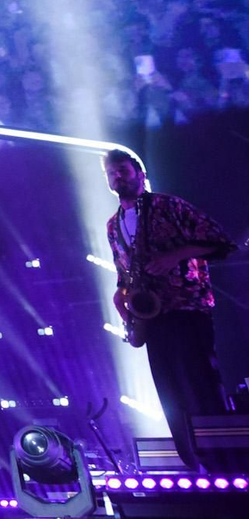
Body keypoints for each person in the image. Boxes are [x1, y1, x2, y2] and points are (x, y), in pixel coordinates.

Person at [103, 148, 237, 472]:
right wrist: (122, 302)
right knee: (171, 398)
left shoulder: (169, 206)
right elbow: (124, 276)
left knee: (201, 388)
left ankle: (230, 463)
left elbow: (221, 241)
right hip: (153, 318)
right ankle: (196, 466)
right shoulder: (112, 225)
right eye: (111, 172)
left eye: (122, 169)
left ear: (140, 172)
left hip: (186, 310)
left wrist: (176, 255)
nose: (117, 176)